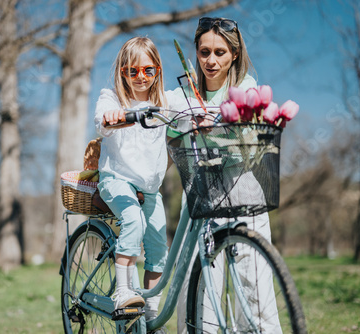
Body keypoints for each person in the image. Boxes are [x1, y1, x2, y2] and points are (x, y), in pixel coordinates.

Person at [171, 17, 282, 333]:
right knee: (198, 294)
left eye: (220, 52)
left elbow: (249, 137)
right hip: (199, 198)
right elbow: (160, 113)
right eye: (205, 51)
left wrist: (219, 123)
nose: (211, 60)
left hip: (242, 193)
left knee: (256, 293)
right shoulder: (186, 93)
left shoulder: (246, 88)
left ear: (234, 54)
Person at [94, 36, 169, 328]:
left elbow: (189, 114)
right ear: (122, 72)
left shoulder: (165, 102)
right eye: (132, 71)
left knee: (158, 249)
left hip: (150, 188)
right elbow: (102, 121)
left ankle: (151, 313)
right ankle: (123, 291)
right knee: (134, 222)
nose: (140, 77)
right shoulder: (111, 97)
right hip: (116, 179)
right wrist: (114, 116)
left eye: (148, 70)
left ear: (158, 71)